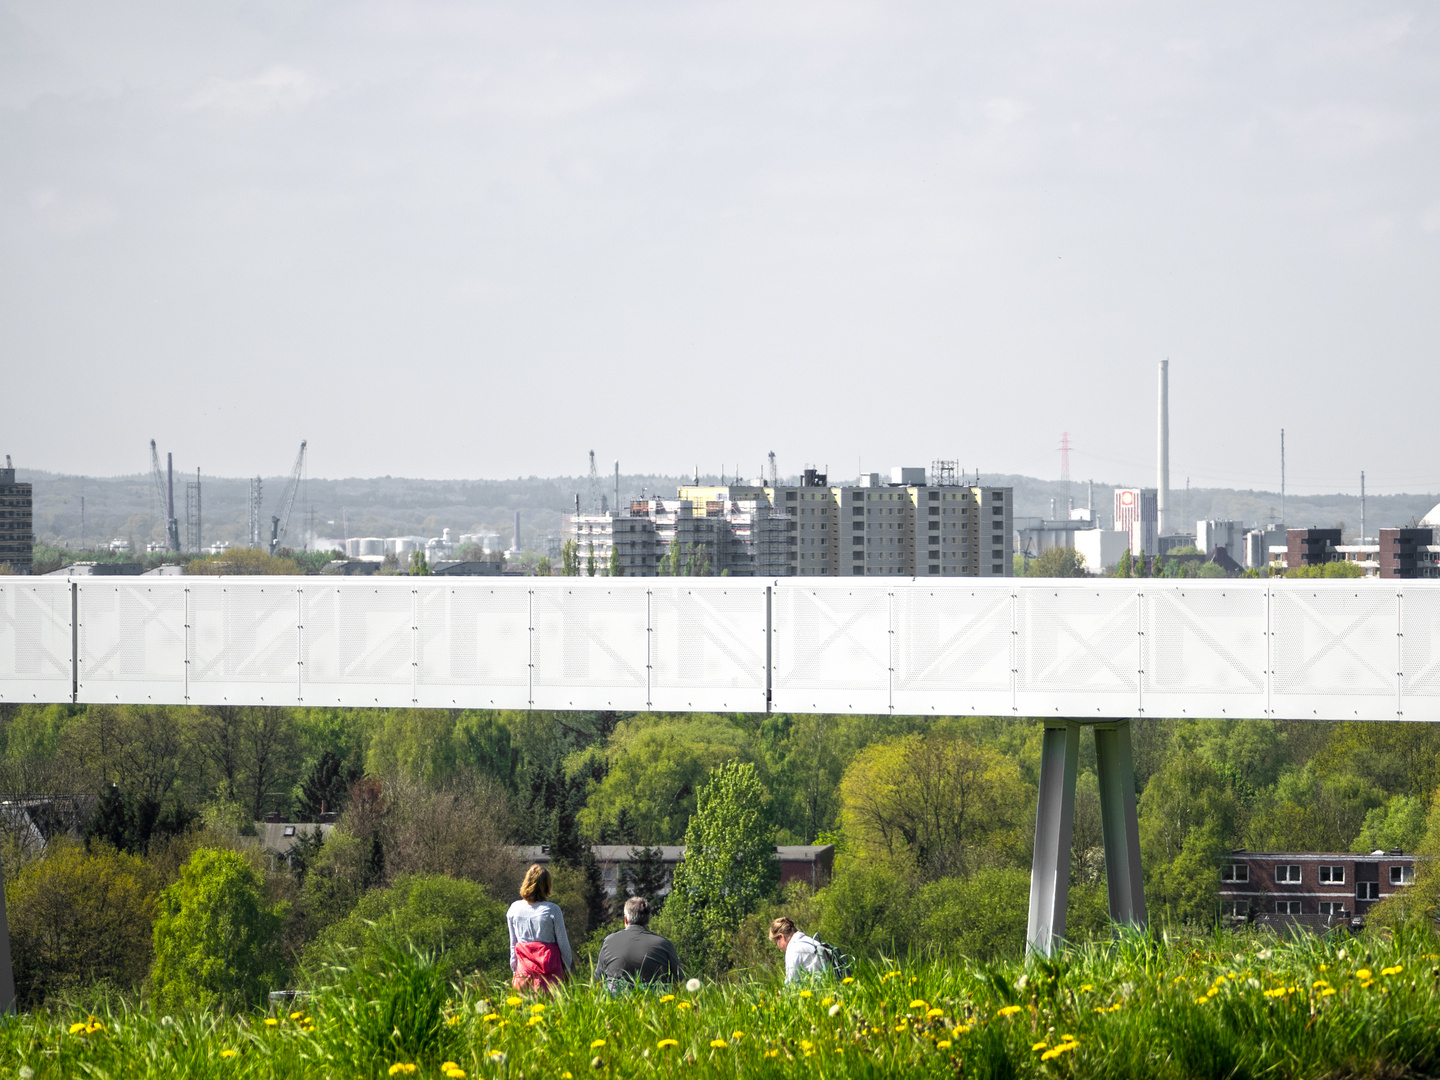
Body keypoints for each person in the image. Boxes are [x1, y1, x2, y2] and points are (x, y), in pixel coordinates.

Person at [506, 864, 573, 992]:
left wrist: (514, 970)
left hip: (523, 971)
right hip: (551, 972)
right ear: (547, 885)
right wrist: (568, 968)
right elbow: (563, 944)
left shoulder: (514, 909)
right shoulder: (552, 910)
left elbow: (513, 945)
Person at [594, 897, 682, 993]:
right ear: (648, 920)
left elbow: (599, 981)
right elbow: (679, 982)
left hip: (616, 1004)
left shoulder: (609, 942)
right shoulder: (664, 944)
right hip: (654, 1004)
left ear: (626, 919)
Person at [769, 916, 826, 983]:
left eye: (776, 943)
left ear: (781, 937)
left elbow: (792, 983)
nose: (779, 948)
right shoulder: (811, 941)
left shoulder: (793, 950)